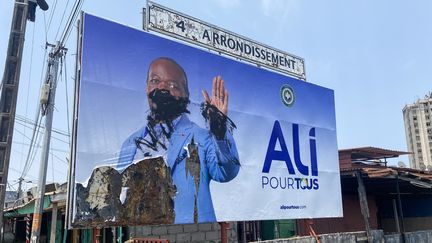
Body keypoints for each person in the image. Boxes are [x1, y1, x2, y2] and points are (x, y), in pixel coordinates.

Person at [117, 57, 240, 224]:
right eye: (155, 80)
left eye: (173, 85)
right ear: (146, 87)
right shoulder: (130, 144)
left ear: (186, 96)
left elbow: (227, 172)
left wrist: (219, 130)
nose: (161, 87)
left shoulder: (201, 137)